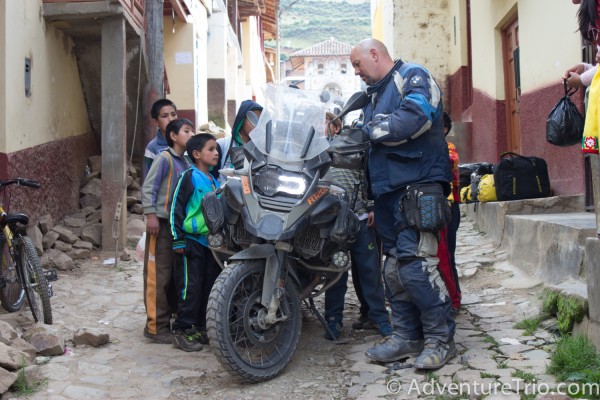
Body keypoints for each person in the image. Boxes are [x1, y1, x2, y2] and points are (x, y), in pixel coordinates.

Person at [350, 38, 455, 370]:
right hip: (387, 195)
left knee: (416, 266)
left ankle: (441, 339)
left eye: (357, 64)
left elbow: (416, 116)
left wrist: (369, 131)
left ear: (374, 54)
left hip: (418, 187)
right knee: (394, 270)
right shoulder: (374, 96)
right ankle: (406, 336)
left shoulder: (412, 76)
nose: (356, 73)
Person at [322, 112, 392, 340]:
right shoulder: (316, 151)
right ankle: (333, 320)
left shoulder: (356, 146)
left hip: (360, 219)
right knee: (336, 273)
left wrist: (371, 206)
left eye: (327, 122)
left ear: (336, 126)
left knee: (369, 271)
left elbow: (370, 177)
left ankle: (379, 317)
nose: (324, 126)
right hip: (332, 223)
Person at [141, 118, 194, 343]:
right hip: (160, 225)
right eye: (186, 131)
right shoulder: (165, 158)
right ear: (173, 136)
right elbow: (149, 187)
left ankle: (166, 320)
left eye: (192, 130)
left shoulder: (187, 163)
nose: (191, 134)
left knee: (172, 276)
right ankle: (155, 327)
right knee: (157, 276)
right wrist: (151, 214)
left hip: (176, 227)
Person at [170, 133, 221, 352]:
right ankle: (182, 330)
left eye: (216, 149)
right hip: (190, 243)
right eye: (210, 149)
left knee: (207, 286)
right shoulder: (189, 177)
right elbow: (176, 208)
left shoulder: (214, 180)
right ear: (196, 154)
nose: (216, 153)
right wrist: (178, 239)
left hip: (209, 244)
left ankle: (200, 327)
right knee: (189, 288)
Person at [216, 100, 262, 182]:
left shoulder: (261, 150)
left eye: (260, 121)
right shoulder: (222, 145)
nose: (257, 126)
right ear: (242, 119)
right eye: (253, 119)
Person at [442, 112, 461, 311]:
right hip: (439, 207)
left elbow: (450, 162)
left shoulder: (449, 148)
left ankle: (455, 296)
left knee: (449, 253)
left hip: (450, 207)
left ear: (444, 130)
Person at [143, 99, 178, 180]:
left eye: (173, 114)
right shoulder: (152, 147)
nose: (171, 119)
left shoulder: (186, 142)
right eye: (165, 116)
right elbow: (148, 180)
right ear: (156, 121)